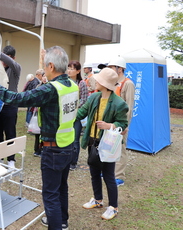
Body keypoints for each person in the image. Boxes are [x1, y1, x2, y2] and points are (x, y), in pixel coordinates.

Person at [0, 46, 78, 230]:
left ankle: (56, 225)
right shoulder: (72, 85)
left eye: (45, 65)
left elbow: (17, 98)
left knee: (50, 194)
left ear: (51, 66)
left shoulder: (51, 89)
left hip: (53, 148)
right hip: (68, 146)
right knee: (61, 188)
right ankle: (63, 220)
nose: (43, 68)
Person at [76, 68, 128, 221]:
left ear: (104, 84)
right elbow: (81, 113)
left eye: (98, 80)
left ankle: (113, 207)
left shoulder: (119, 103)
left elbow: (123, 124)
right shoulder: (94, 97)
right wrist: (66, 113)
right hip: (93, 141)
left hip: (108, 144)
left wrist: (109, 125)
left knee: (108, 176)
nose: (95, 81)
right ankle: (98, 200)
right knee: (94, 173)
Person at [107, 57, 135, 187]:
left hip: (121, 122)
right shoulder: (113, 83)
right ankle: (109, 172)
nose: (110, 70)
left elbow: (129, 106)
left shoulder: (128, 84)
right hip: (111, 122)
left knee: (121, 148)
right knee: (110, 146)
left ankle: (119, 176)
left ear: (120, 69)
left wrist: (125, 125)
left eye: (112, 67)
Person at [0, 45, 21, 168]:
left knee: (10, 133)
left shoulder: (15, 68)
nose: (4, 61)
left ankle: (11, 160)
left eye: (7, 58)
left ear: (13, 58)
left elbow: (8, 61)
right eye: (2, 58)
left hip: (10, 105)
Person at [67, 60, 88, 170]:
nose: (69, 71)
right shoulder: (65, 82)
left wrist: (74, 109)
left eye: (72, 69)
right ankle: (66, 159)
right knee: (66, 138)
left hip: (76, 116)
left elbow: (84, 100)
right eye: (68, 68)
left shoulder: (82, 83)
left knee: (75, 139)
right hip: (65, 116)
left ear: (78, 71)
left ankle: (73, 162)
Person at [32, 69, 45, 157]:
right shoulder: (38, 86)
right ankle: (37, 150)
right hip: (38, 113)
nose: (44, 78)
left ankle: (42, 149)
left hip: (45, 115)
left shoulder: (50, 87)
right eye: (43, 76)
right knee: (37, 133)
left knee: (44, 133)